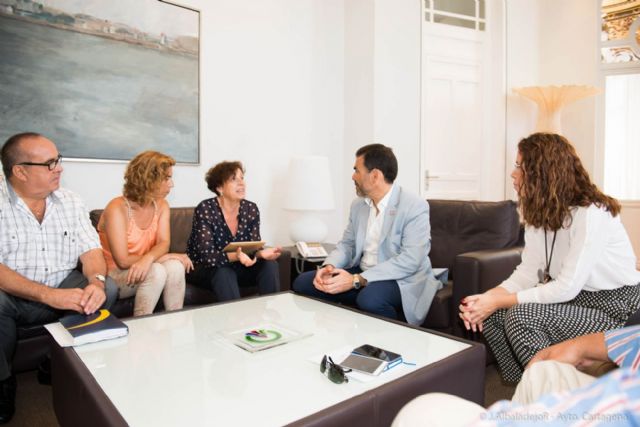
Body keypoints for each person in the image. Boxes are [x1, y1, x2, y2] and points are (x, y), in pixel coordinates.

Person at [459, 133, 640, 383]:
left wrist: (499, 301)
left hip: (619, 309)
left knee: (521, 316)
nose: (513, 174)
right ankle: (524, 389)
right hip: (576, 301)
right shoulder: (541, 214)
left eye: (520, 166)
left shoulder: (593, 213)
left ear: (544, 172)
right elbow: (527, 271)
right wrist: (487, 300)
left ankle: (556, 397)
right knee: (494, 316)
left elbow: (566, 287)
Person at [0, 132, 117, 424]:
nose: (59, 168)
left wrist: (96, 281)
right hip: (12, 294)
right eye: (50, 163)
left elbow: (91, 250)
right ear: (20, 171)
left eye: (58, 160)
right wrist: (49, 295)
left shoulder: (70, 201)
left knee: (110, 289)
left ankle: (57, 365)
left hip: (63, 283)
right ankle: (3, 383)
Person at [292, 144, 441, 325]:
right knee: (304, 282)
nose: (353, 176)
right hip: (364, 271)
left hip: (400, 278)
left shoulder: (414, 206)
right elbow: (347, 244)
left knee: (370, 299)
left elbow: (410, 260)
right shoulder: (359, 206)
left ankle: (393, 342)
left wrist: (357, 280)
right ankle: (344, 325)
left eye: (357, 170)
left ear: (375, 175)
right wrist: (329, 267)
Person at [391, 325, 640, 427]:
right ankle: (517, 393)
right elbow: (529, 270)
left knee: (422, 411)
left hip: (601, 298)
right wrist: (491, 297)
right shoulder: (541, 224)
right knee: (542, 370)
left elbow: (568, 283)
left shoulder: (591, 218)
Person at [98, 151, 191, 317]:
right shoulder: (117, 208)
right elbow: (123, 260)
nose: (172, 184)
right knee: (156, 271)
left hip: (146, 266)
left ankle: (177, 327)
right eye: (167, 178)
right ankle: (141, 328)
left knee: (176, 267)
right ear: (149, 179)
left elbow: (164, 243)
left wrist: (148, 259)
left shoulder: (161, 205)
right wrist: (163, 258)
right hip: (115, 275)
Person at [186, 161, 281, 301]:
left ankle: (268, 315)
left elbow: (252, 247)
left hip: (238, 265)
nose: (241, 183)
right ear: (219, 188)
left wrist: (261, 254)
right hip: (206, 268)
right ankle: (235, 321)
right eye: (233, 179)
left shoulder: (251, 209)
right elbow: (206, 255)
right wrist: (236, 256)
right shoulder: (205, 209)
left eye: (242, 178)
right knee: (224, 272)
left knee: (269, 265)